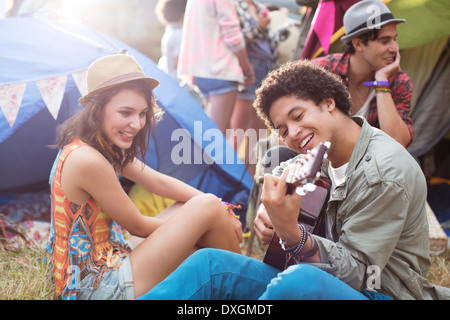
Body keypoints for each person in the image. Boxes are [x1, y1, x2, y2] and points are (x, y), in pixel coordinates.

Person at [139, 59, 449, 300]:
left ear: (329, 103)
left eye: (298, 117)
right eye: (283, 129)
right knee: (210, 264)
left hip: (381, 291)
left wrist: (291, 233)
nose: (293, 134)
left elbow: (360, 272)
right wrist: (266, 207)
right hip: (326, 279)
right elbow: (286, 169)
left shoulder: (383, 172)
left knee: (299, 280)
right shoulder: (327, 149)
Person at [46, 54, 242, 300]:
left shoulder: (97, 144)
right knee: (206, 209)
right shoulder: (88, 160)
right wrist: (198, 227)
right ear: (97, 110)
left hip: (111, 256)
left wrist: (221, 210)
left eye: (142, 114)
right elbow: (136, 225)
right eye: (126, 112)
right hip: (93, 286)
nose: (137, 124)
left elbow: (158, 182)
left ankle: (238, 284)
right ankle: (247, 292)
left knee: (197, 205)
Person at [312, 0, 413, 148]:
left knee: (410, 163)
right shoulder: (322, 70)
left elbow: (398, 144)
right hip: (323, 156)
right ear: (358, 44)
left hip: (369, 165)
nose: (395, 48)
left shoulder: (398, 81)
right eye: (385, 41)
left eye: (394, 39)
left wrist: (382, 83)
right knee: (277, 152)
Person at [178, 0, 255, 136]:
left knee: (220, 133)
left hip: (201, 70)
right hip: (220, 69)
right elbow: (233, 36)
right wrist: (246, 68)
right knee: (215, 138)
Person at [230, 0, 292, 152]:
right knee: (238, 131)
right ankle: (226, 173)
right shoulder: (236, 6)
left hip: (267, 68)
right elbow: (239, 38)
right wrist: (261, 26)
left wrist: (284, 29)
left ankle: (249, 174)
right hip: (250, 67)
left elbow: (268, 39)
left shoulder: (258, 8)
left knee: (258, 133)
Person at [155, 0, 187, 83]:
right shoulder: (179, 34)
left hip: (170, 78)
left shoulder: (170, 31)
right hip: (180, 82)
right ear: (183, 13)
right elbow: (178, 63)